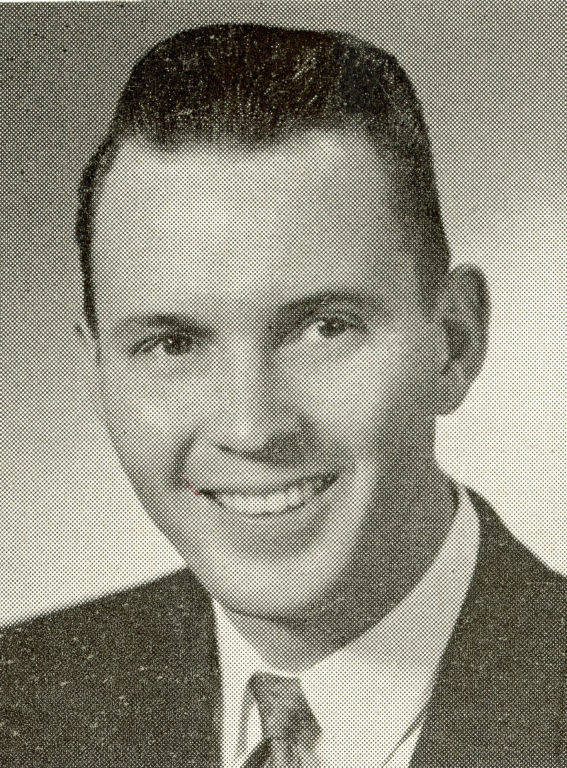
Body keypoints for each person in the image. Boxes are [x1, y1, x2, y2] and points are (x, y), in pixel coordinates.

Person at [1, 23, 564, 768]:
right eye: (172, 344)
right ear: (98, 373)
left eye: (325, 327)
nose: (250, 426)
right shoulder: (21, 703)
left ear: (452, 343)